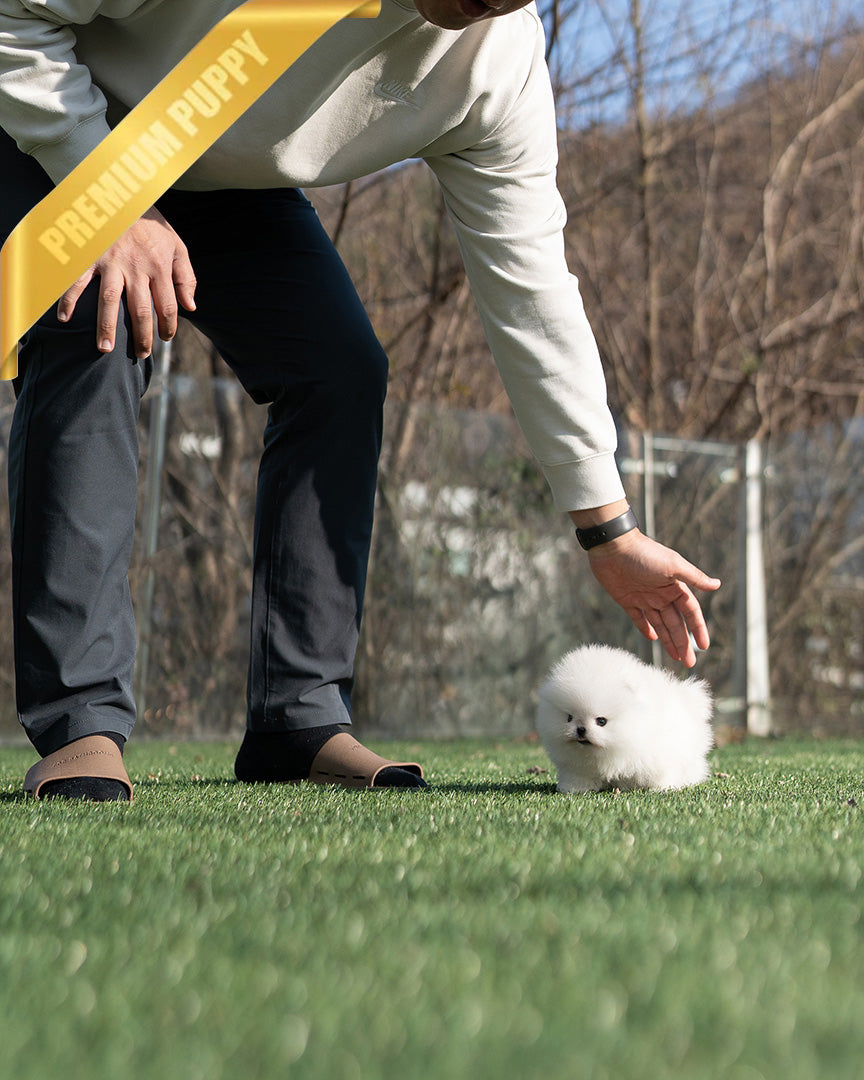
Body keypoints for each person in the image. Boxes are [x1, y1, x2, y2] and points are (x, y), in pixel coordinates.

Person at [0, 0, 720, 800]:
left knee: (339, 371)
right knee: (100, 324)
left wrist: (607, 529)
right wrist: (115, 202)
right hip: (58, 118)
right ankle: (80, 725)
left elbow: (534, 292)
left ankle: (297, 716)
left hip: (222, 173)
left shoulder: (497, 67)